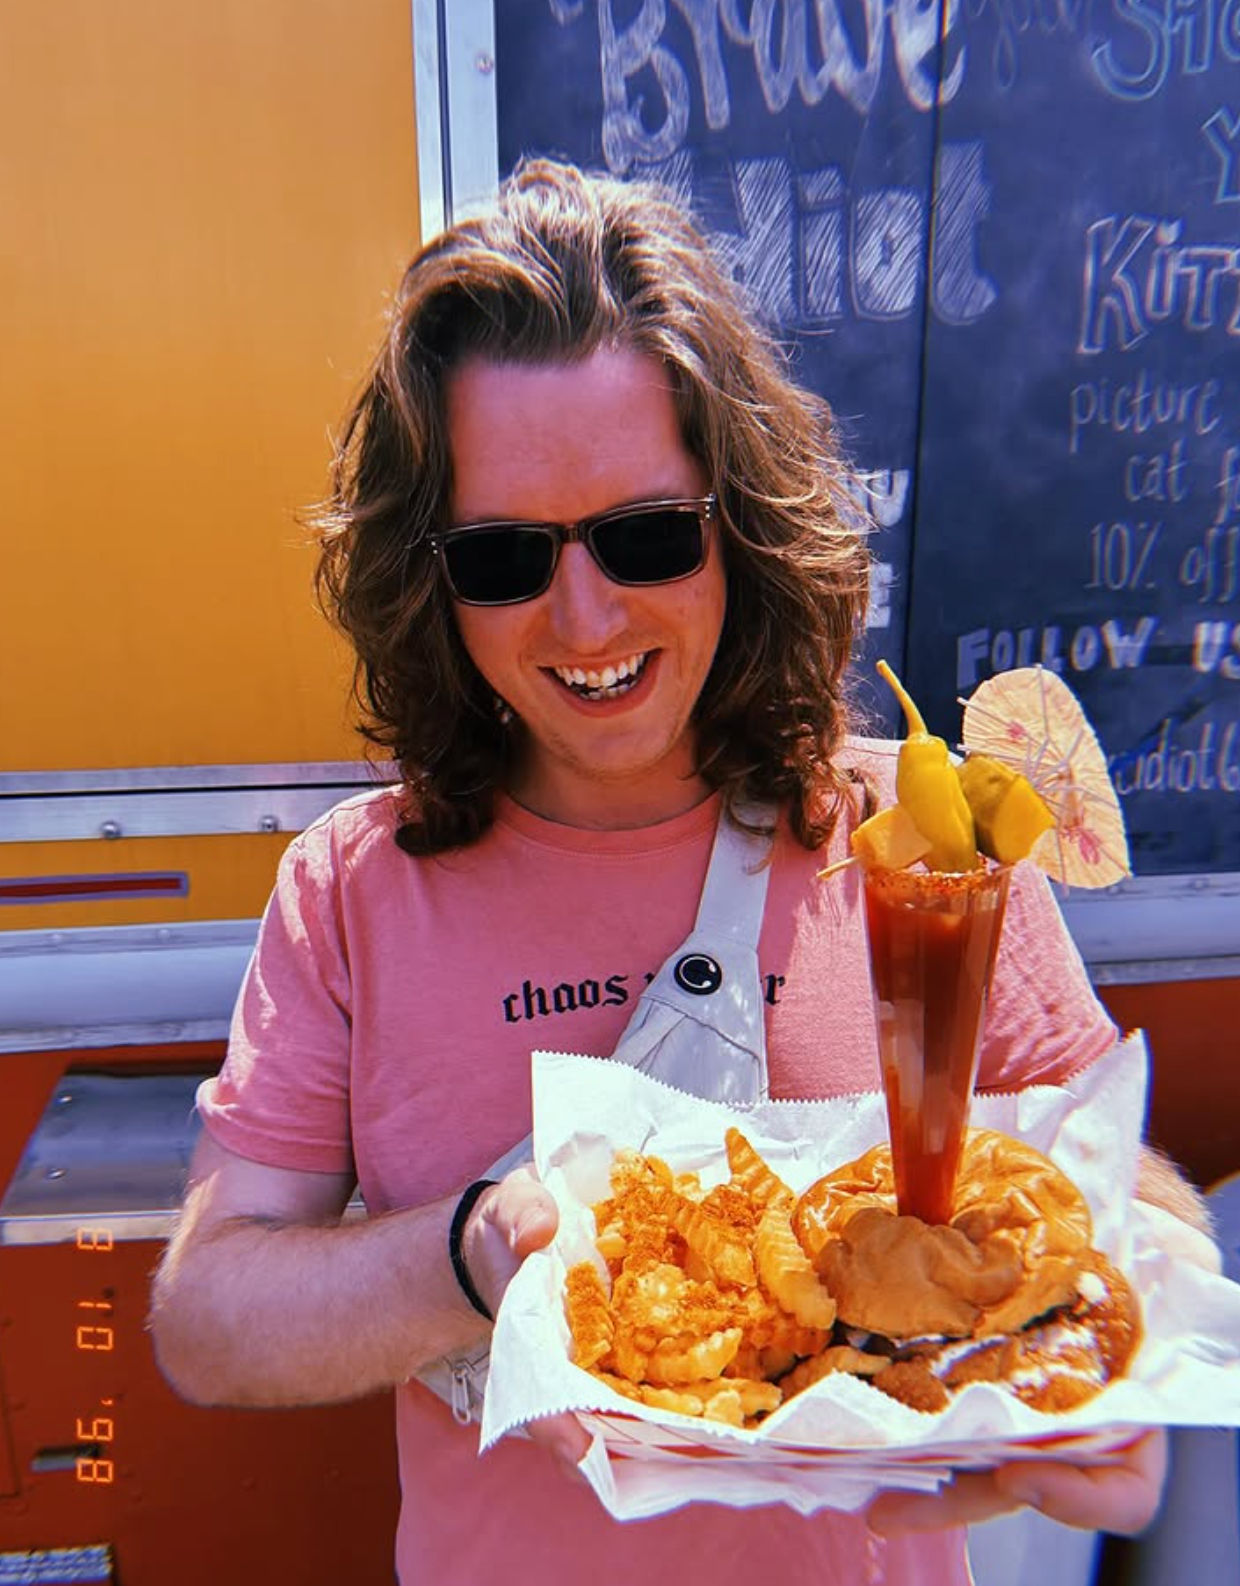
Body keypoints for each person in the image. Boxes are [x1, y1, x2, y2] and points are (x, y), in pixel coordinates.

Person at [150, 159, 1194, 1585]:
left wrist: (1132, 1332)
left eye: (646, 534)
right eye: (506, 556)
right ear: (428, 574)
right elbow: (203, 1318)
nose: (585, 615)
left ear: (737, 523)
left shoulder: (911, 838)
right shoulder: (353, 887)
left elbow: (1109, 1169)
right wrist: (473, 1247)